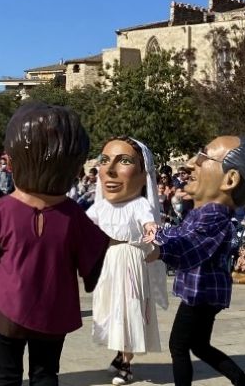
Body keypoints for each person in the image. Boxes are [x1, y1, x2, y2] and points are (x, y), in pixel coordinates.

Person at [0, 103, 110, 386]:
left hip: (5, 305)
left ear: (13, 161)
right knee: (45, 375)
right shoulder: (74, 215)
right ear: (74, 167)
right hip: (55, 307)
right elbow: (95, 252)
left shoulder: (1, 210)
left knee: (7, 376)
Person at [147, 135, 245, 386]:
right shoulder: (204, 212)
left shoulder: (213, 214)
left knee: (178, 345)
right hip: (205, 292)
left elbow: (190, 247)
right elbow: (182, 234)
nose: (191, 164)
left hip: (202, 293)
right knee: (200, 346)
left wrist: (160, 250)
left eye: (203, 157)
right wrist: (158, 232)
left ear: (230, 180)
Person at [86, 136, 169, 386]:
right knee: (111, 308)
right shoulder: (103, 205)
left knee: (130, 308)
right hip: (111, 258)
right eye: (106, 161)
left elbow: (150, 224)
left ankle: (126, 363)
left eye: (123, 161)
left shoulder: (139, 204)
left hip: (132, 257)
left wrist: (154, 235)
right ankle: (120, 354)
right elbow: (82, 224)